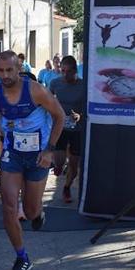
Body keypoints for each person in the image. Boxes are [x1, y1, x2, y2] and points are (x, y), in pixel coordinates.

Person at [0, 50, 65, 270]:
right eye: (0, 71)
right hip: (12, 155)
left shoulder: (35, 90)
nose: (5, 75)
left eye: (9, 70)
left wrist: (50, 150)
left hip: (39, 156)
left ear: (18, 68)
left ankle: (38, 213)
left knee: (30, 211)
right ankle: (22, 257)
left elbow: (59, 116)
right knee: (9, 207)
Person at [50, 55, 86, 204]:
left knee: (74, 164)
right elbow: (47, 99)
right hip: (60, 126)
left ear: (75, 71)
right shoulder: (55, 83)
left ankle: (67, 187)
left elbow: (89, 104)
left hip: (77, 127)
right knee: (59, 160)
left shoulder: (83, 85)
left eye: (68, 71)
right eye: (62, 71)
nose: (65, 74)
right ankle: (58, 166)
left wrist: (80, 115)